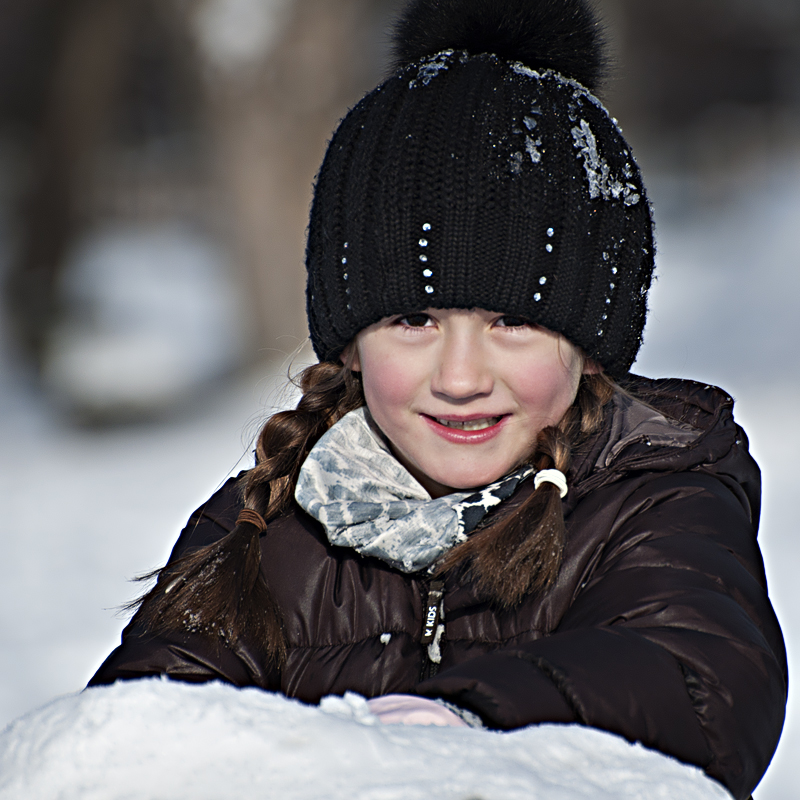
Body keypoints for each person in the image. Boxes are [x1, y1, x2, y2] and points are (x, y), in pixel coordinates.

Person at [89, 1, 787, 797]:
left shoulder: (651, 494)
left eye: (514, 322)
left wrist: (473, 720)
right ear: (350, 342)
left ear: (592, 347)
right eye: (414, 319)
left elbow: (701, 677)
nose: (460, 377)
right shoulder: (271, 523)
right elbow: (129, 741)